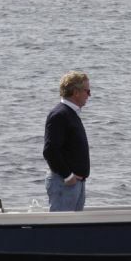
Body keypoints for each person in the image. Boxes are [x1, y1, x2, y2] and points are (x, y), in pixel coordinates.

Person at [43, 71, 91, 212]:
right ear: (76, 92)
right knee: (62, 224)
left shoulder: (70, 114)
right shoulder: (60, 115)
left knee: (74, 225)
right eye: (87, 91)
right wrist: (68, 176)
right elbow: (50, 151)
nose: (89, 95)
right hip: (64, 184)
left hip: (75, 184)